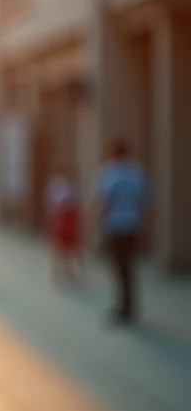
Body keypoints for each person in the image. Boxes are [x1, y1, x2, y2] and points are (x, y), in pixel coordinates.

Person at [91, 138, 149, 324]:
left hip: (116, 226)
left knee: (119, 267)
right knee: (129, 267)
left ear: (114, 153)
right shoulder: (137, 173)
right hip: (133, 225)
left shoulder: (110, 173)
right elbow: (146, 203)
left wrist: (96, 221)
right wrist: (147, 228)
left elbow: (104, 201)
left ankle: (123, 308)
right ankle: (129, 307)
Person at [43, 164, 82, 286]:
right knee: (60, 246)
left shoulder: (70, 186)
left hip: (68, 218)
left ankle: (67, 270)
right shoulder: (55, 185)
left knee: (69, 246)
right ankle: (59, 270)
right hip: (60, 218)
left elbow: (77, 203)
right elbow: (50, 203)